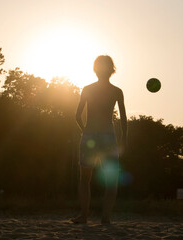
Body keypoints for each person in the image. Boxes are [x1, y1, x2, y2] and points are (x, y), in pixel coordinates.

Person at [71, 55, 127, 224]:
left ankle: (84, 216)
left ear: (95, 69)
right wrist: (124, 138)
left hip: (89, 135)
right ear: (112, 70)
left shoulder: (87, 89)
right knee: (111, 179)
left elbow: (77, 116)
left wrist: (85, 131)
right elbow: (123, 118)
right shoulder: (117, 91)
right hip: (108, 136)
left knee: (84, 178)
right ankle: (106, 217)